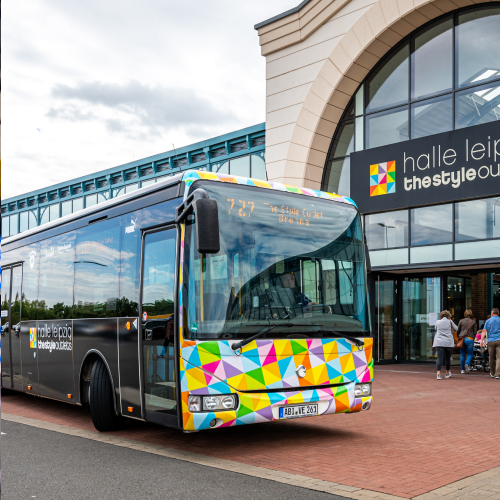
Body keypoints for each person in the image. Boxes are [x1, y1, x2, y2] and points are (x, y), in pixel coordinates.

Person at [433, 310, 458, 380]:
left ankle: (438, 374)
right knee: (447, 358)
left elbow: (436, 329)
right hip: (448, 342)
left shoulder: (437, 322)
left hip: (439, 341)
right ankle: (447, 373)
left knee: (439, 358)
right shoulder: (450, 322)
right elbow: (457, 328)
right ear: (448, 316)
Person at [481, 308, 500, 379]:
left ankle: (492, 372)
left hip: (491, 341)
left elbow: (484, 331)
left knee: (491, 358)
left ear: (492, 313)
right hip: (499, 340)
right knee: (499, 358)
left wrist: (481, 341)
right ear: (498, 313)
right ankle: (497, 374)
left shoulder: (488, 321)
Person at [457, 310, 477, 374]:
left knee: (462, 354)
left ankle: (462, 370)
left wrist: (458, 336)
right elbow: (475, 332)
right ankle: (467, 364)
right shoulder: (473, 321)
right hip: (470, 339)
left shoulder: (461, 321)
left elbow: (458, 330)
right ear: (471, 314)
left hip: (462, 339)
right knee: (470, 354)